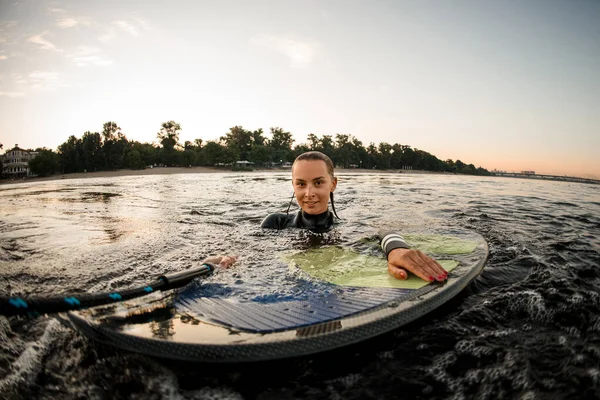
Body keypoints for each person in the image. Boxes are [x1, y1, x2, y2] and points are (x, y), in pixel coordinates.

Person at [261, 151, 448, 282]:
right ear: (293, 185)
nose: (309, 193)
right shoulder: (276, 223)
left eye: (318, 182)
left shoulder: (345, 228)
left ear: (333, 184)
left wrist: (396, 249)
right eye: (301, 184)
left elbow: (382, 231)